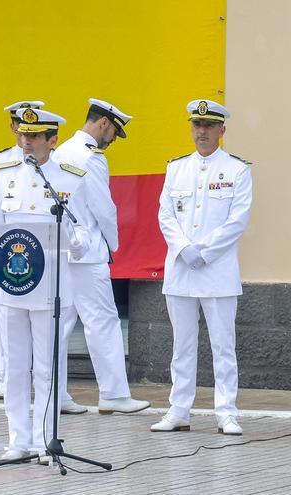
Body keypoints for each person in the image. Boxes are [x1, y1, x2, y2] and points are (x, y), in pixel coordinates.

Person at [0, 106, 90, 461]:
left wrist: (77, 242)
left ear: (53, 140)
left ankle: (47, 439)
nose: (26, 142)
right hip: (11, 285)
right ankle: (18, 440)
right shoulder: (1, 171)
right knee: (14, 366)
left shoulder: (71, 176)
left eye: (34, 136)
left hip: (51, 287)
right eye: (23, 135)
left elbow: (86, 229)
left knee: (46, 366)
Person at [151, 100, 251, 436]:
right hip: (180, 268)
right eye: (197, 125)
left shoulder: (237, 170)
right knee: (181, 345)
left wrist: (204, 253)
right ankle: (179, 410)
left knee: (223, 346)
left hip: (218, 270)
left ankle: (226, 412)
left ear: (222, 130)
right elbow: (165, 214)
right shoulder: (177, 168)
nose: (202, 132)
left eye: (209, 126)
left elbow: (237, 221)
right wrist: (183, 249)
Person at [53, 99, 150, 415]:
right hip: (89, 250)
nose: (111, 141)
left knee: (58, 324)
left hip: (62, 248)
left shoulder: (61, 150)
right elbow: (103, 208)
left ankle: (56, 395)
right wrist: (114, 244)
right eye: (113, 133)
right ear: (104, 124)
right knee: (103, 321)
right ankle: (114, 394)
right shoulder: (92, 158)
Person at [0, 100, 43, 400]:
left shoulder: (51, 166)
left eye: (32, 130)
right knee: (6, 322)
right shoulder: (1, 163)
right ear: (13, 128)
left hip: (43, 260)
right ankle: (7, 379)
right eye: (20, 128)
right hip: (9, 258)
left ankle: (46, 384)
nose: (25, 135)